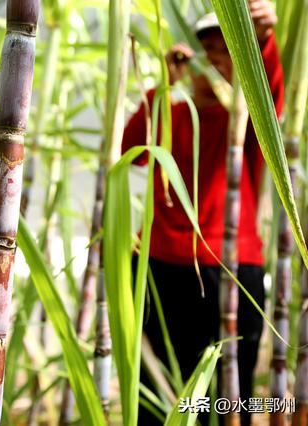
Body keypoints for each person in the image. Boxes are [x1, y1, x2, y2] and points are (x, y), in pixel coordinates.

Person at [121, 1, 283, 425]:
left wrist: (264, 42)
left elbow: (272, 98)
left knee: (231, 395)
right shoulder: (172, 115)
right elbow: (129, 150)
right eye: (207, 50)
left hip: (231, 270)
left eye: (227, 51)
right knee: (156, 394)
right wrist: (163, 83)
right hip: (160, 268)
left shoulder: (246, 126)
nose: (213, 62)